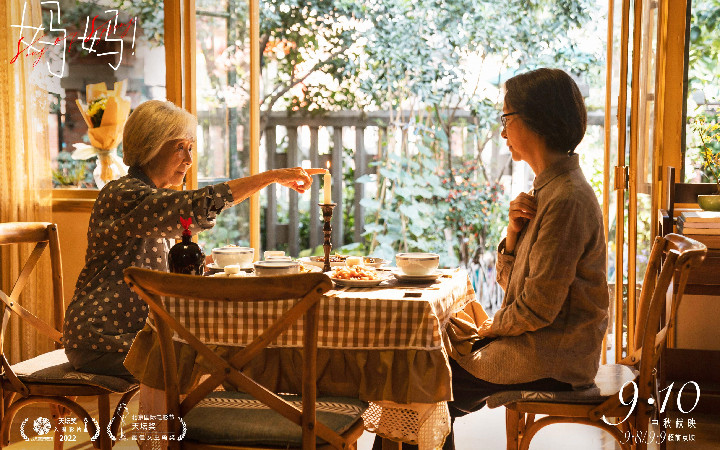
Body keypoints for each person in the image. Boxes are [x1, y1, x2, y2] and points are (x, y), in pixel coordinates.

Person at [62, 99, 325, 378]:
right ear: (151, 145)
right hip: (103, 339)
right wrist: (271, 177)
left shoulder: (149, 197)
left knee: (231, 352)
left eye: (191, 149)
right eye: (180, 148)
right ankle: (201, 420)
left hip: (135, 334)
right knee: (222, 359)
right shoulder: (124, 194)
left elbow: (152, 263)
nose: (188, 160)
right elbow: (195, 205)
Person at [440, 68, 609, 449]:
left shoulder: (565, 198)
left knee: (425, 379)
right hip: (543, 345)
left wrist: (485, 332)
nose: (502, 131)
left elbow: (536, 309)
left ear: (535, 120)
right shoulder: (549, 190)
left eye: (506, 118)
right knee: (427, 374)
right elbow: (515, 288)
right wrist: (513, 238)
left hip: (555, 357)